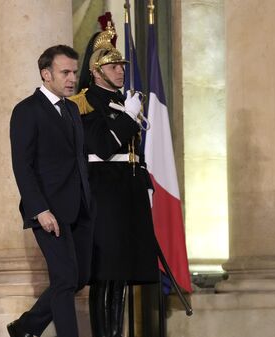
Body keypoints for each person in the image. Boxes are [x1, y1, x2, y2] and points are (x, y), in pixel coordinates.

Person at [69, 23, 159, 337]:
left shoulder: (123, 102)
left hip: (128, 194)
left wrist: (145, 183)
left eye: (121, 65)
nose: (120, 70)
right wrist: (127, 118)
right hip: (103, 195)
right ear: (95, 71)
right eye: (112, 65)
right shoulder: (83, 103)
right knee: (105, 274)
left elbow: (135, 151)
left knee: (122, 274)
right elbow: (103, 147)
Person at [8, 45, 93, 337]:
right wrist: (39, 209)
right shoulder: (26, 110)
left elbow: (78, 158)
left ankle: (26, 327)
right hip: (48, 209)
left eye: (74, 72)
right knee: (65, 278)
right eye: (65, 72)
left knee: (79, 277)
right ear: (46, 74)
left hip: (79, 207)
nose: (72, 78)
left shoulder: (71, 108)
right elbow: (22, 165)